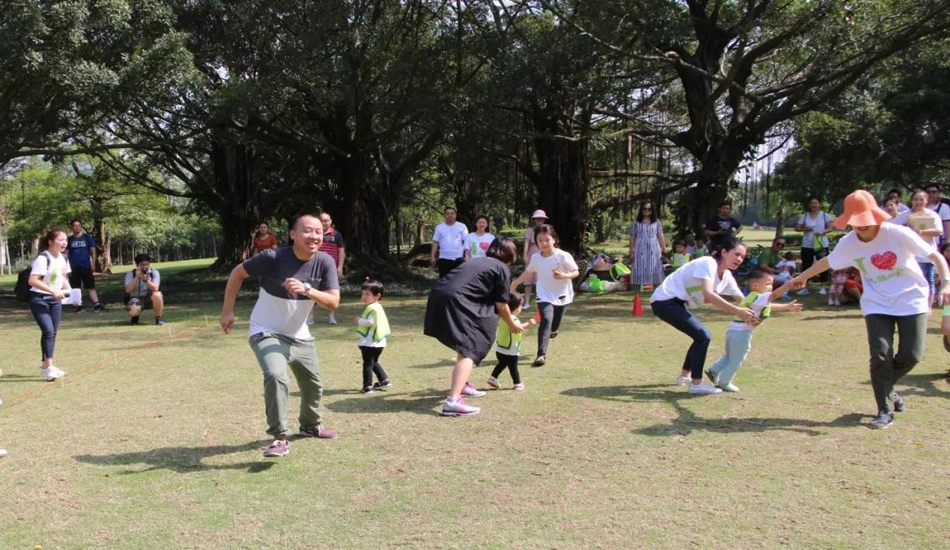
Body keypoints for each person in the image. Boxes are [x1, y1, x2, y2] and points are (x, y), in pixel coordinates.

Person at [792, 190, 950, 429]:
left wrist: (946, 283)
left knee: (913, 355)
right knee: (880, 356)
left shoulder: (897, 233)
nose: (862, 225)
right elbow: (828, 261)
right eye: (856, 221)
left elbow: (935, 256)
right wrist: (803, 276)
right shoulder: (849, 242)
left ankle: (887, 387)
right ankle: (884, 410)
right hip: (877, 304)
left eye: (865, 219)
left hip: (911, 300)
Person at [220, 213, 339, 457]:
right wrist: (227, 311)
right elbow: (237, 274)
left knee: (313, 384)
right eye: (307, 230)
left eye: (318, 231)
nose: (314, 236)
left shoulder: (325, 261)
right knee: (275, 375)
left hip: (299, 333)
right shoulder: (273, 257)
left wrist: (306, 289)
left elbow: (333, 302)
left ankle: (310, 425)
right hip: (266, 330)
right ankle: (279, 437)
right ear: (293, 234)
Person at [424, 238, 521, 417]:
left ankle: (463, 385)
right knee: (471, 348)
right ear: (511, 255)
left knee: (467, 342)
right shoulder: (502, 269)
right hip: (457, 300)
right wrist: (512, 323)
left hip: (439, 294)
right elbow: (501, 304)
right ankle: (453, 402)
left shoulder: (477, 261)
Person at [650, 236, 756, 395]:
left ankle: (684, 377)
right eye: (737, 254)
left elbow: (744, 301)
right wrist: (737, 311)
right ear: (724, 252)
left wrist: (761, 311)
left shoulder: (727, 277)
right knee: (703, 336)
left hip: (676, 303)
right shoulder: (708, 263)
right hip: (664, 301)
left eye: (742, 256)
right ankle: (696, 384)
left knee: (700, 337)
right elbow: (708, 294)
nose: (740, 259)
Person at [705, 267, 803, 392]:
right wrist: (789, 284)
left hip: (733, 331)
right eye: (768, 284)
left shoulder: (753, 297)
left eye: (771, 284)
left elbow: (769, 305)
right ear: (755, 285)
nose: (770, 287)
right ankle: (724, 382)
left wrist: (786, 307)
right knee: (737, 358)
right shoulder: (760, 297)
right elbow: (774, 295)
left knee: (730, 355)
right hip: (742, 333)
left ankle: (714, 370)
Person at [509, 225, 580, 367]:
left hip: (562, 293)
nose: (544, 243)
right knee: (546, 320)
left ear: (554, 239)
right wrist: (515, 284)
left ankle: (554, 330)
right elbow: (528, 272)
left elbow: (576, 272)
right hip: (544, 293)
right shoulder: (536, 257)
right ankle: (541, 354)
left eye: (547, 240)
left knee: (554, 324)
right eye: (540, 240)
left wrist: (564, 275)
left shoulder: (563, 256)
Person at [28, 228, 72, 381]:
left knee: (52, 333)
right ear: (50, 241)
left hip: (55, 300)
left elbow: (62, 278)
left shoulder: (63, 258)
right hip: (39, 299)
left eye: (66, 240)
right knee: (48, 331)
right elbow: (33, 280)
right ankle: (49, 367)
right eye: (61, 239)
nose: (64, 242)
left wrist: (72, 294)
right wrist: (52, 291)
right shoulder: (43, 258)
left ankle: (47, 366)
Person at [892, 189, 944, 307]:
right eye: (916, 199)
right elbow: (893, 227)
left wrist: (921, 231)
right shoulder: (905, 215)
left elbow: (938, 231)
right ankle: (910, 305)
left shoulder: (932, 215)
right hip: (908, 255)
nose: (918, 202)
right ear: (911, 200)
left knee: (927, 280)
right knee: (909, 281)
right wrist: (906, 228)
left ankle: (928, 307)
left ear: (926, 201)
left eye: (921, 199)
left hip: (926, 255)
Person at [487, 291, 536, 391]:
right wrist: (529, 323)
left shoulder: (502, 316)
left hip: (501, 346)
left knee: (502, 363)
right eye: (520, 306)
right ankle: (517, 383)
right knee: (513, 366)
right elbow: (516, 328)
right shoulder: (513, 319)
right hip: (510, 349)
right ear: (516, 308)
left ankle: (493, 377)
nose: (521, 308)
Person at [356, 278, 391, 393]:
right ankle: (384, 380)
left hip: (370, 342)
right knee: (373, 362)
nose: (364, 296)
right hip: (379, 342)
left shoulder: (372, 308)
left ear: (377, 296)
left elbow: (370, 322)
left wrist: (359, 321)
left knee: (367, 364)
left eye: (367, 294)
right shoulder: (378, 307)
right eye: (363, 294)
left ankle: (367, 386)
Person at [794, 197, 834, 296]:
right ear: (809, 205)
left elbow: (831, 227)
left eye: (816, 203)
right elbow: (797, 228)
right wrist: (805, 229)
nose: (814, 205)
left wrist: (823, 232)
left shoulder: (824, 215)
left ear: (819, 204)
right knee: (806, 265)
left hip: (821, 244)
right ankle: (805, 287)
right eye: (812, 203)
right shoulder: (805, 215)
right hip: (807, 244)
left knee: (823, 264)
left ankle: (823, 287)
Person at [66, 219, 103, 313]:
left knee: (90, 286)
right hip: (73, 267)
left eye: (79, 225)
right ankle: (79, 306)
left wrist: (93, 264)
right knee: (76, 288)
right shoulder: (69, 240)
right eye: (75, 225)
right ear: (72, 227)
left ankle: (97, 305)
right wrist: (66, 267)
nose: (77, 227)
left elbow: (93, 252)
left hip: (86, 266)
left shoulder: (87, 238)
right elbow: (66, 254)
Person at [628, 202, 666, 288]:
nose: (647, 211)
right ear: (641, 210)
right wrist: (631, 251)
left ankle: (657, 291)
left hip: (654, 248)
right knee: (638, 267)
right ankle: (637, 292)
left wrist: (663, 249)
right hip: (640, 248)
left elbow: (660, 236)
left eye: (649, 209)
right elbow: (632, 237)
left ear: (652, 210)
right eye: (645, 208)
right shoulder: (636, 222)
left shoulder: (656, 222)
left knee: (655, 268)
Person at [318, 212, 346, 325]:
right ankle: (309, 317)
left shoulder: (336, 234)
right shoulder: (315, 233)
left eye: (326, 220)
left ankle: (331, 316)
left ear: (330, 221)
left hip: (331, 268)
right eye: (321, 220)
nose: (324, 223)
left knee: (332, 292)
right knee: (311, 289)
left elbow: (341, 251)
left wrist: (340, 267)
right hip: (316, 266)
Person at [124, 253, 165, 326]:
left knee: (157, 294)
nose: (144, 267)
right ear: (137, 265)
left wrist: (146, 280)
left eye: (147, 264)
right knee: (132, 311)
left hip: (150, 299)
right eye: (142, 265)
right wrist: (137, 277)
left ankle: (158, 318)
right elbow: (128, 290)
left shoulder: (154, 273)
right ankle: (135, 317)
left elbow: (155, 288)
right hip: (135, 299)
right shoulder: (130, 274)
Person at [430, 207, 468, 278]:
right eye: (447, 214)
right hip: (444, 258)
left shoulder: (462, 226)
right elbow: (435, 242)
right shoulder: (439, 227)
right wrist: (432, 256)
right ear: (444, 215)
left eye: (452, 213)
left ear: (456, 215)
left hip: (459, 258)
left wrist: (467, 256)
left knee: (458, 280)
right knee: (444, 280)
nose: (450, 215)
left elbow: (466, 242)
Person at [522, 210, 548, 309]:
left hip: (543, 254)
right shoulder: (530, 230)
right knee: (528, 280)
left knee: (542, 279)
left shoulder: (546, 230)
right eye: (538, 219)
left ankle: (543, 301)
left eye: (541, 219)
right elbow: (526, 243)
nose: (539, 220)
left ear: (544, 220)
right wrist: (525, 255)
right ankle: (526, 302)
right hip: (532, 254)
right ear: (535, 220)